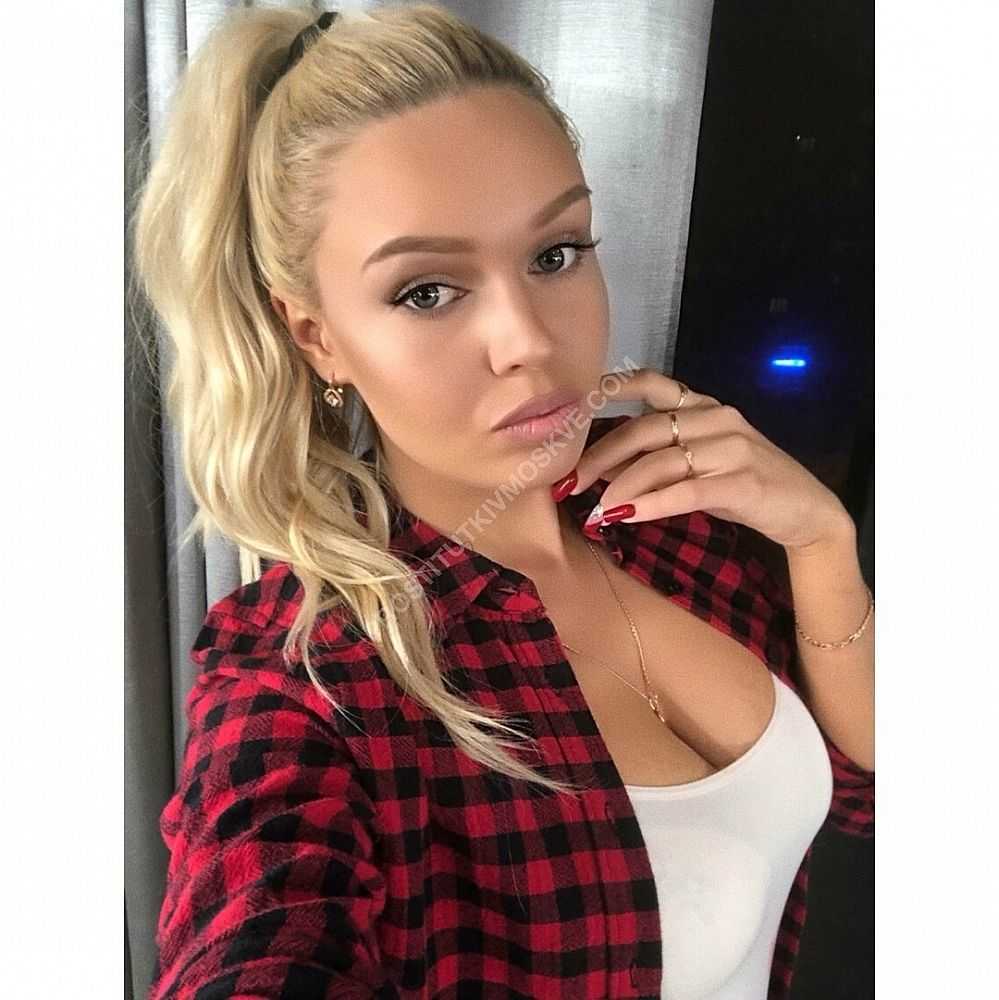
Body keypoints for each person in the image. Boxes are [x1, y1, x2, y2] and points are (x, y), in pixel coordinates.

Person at [129, 4, 874, 998]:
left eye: (555, 253)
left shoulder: (677, 510)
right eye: (427, 291)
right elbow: (257, 944)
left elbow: (863, 786)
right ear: (317, 336)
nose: (528, 339)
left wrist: (822, 541)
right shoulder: (307, 679)